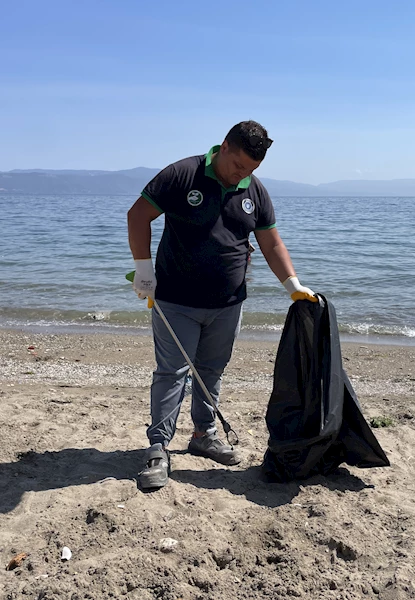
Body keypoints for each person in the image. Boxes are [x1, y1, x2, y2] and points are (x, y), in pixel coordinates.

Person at [127, 120, 316, 490]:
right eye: (238, 166)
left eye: (251, 170)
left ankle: (203, 434)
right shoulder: (182, 174)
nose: (241, 175)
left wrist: (292, 284)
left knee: (211, 369)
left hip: (228, 303)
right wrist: (143, 270)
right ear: (224, 147)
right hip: (175, 300)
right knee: (173, 372)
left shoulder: (254, 191)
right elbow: (138, 216)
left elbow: (271, 243)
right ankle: (158, 447)